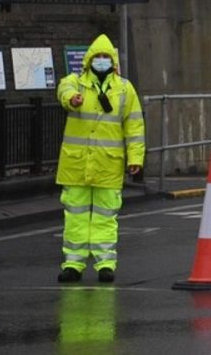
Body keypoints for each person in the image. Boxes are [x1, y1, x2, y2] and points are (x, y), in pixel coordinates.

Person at [55, 34, 144, 284]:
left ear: (113, 61)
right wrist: (72, 99)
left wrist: (135, 158)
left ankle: (105, 264)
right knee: (75, 216)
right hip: (77, 165)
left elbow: (134, 126)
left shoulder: (125, 90)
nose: (101, 61)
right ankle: (73, 264)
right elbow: (63, 89)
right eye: (97, 57)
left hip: (108, 164)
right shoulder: (76, 83)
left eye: (106, 57)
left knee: (106, 216)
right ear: (88, 60)